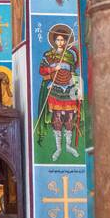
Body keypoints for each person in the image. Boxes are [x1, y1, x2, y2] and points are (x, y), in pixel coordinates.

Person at [34, 24, 83, 161]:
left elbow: (73, 72)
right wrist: (53, 69)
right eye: (58, 40)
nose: (60, 42)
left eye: (63, 40)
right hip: (55, 88)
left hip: (69, 89)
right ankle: (58, 148)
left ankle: (68, 146)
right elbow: (42, 71)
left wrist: (77, 88)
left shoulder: (69, 55)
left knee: (69, 119)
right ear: (54, 41)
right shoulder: (48, 55)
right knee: (56, 119)